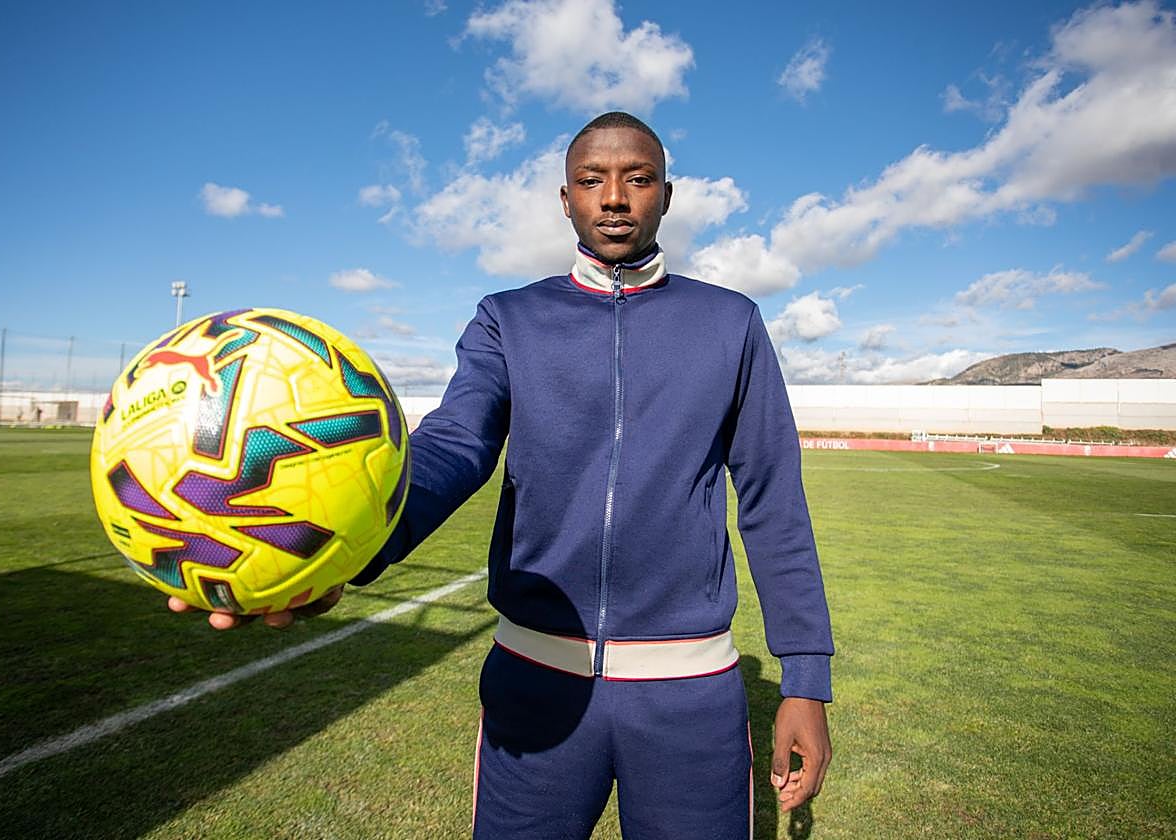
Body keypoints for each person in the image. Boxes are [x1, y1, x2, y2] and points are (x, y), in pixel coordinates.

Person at [172, 111, 834, 839]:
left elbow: (773, 500)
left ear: (666, 196)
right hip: (534, 684)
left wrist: (804, 679)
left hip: (689, 695)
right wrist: (345, 551)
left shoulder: (730, 323)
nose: (614, 197)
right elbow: (454, 444)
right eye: (592, 180)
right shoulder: (507, 319)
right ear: (566, 199)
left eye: (637, 179)